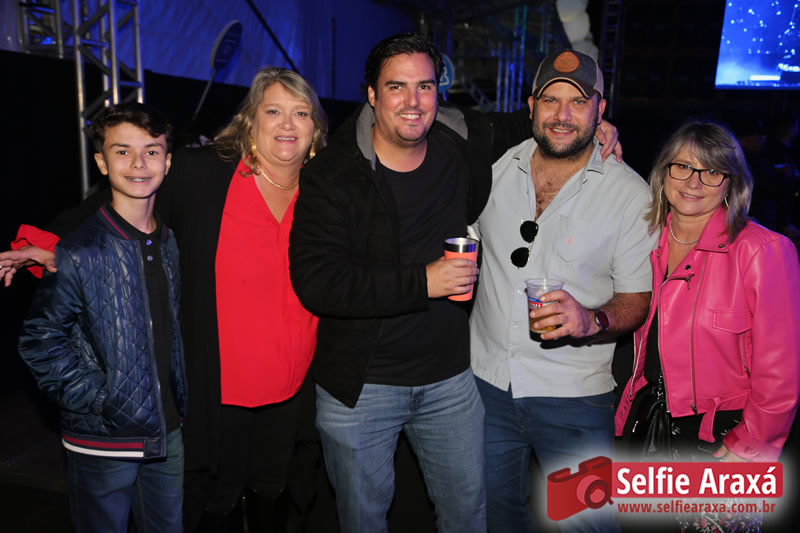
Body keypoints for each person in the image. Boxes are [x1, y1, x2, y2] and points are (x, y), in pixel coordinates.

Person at [287, 34, 621, 533]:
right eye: (396, 87)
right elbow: (317, 282)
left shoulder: (460, 141)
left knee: (468, 516)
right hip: (361, 388)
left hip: (450, 383)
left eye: (425, 86)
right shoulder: (332, 173)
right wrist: (423, 281)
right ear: (372, 94)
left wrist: (592, 124)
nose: (413, 101)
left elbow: (535, 120)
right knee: (363, 521)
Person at [2, 67, 329, 532]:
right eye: (273, 111)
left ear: (316, 127)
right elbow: (117, 202)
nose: (287, 125)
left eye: (301, 113)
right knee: (217, 497)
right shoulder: (206, 172)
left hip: (293, 385)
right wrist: (53, 242)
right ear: (250, 119)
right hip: (218, 385)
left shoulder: (324, 187)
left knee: (274, 488)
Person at [469, 49, 656, 532]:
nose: (562, 115)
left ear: (600, 109)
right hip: (486, 389)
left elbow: (638, 299)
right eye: (551, 100)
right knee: (495, 519)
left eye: (578, 102)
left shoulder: (630, 194)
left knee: (585, 523)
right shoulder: (492, 171)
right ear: (531, 105)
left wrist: (591, 320)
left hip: (574, 398)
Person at [615, 121, 800, 528]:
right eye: (682, 166)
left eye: (712, 171)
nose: (694, 182)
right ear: (664, 172)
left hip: (721, 442)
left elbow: (780, 374)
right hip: (646, 429)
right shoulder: (643, 242)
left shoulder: (763, 251)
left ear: (730, 183)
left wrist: (751, 450)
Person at [17, 102, 186, 532]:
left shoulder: (168, 242)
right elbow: (40, 340)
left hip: (167, 433)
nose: (138, 163)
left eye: (151, 151)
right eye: (122, 151)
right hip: (103, 438)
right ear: (101, 162)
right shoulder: (79, 249)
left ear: (167, 161)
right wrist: (100, 398)